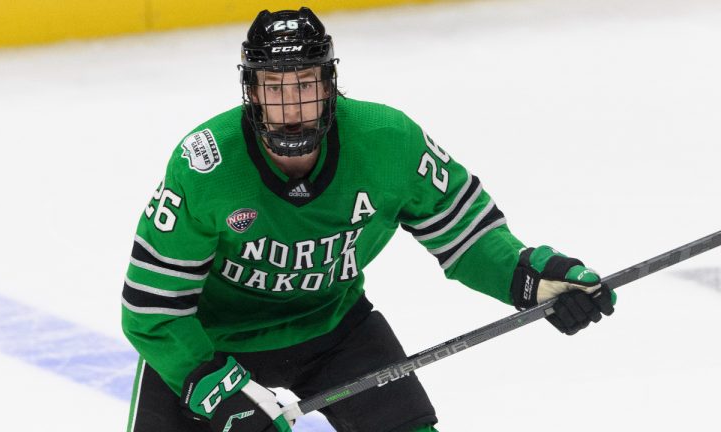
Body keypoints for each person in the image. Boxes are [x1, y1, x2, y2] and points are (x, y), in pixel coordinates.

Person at [121, 7, 615, 432]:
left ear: (331, 84)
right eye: (273, 86)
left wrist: (526, 278)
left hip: (333, 328)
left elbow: (466, 235)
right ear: (250, 91)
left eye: (306, 84)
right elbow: (150, 306)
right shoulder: (206, 166)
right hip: (213, 342)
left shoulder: (389, 143)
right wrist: (209, 383)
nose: (291, 108)